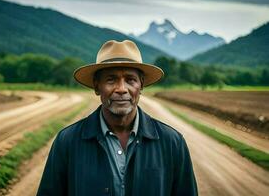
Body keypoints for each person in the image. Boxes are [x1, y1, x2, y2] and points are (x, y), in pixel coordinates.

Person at [36, 40, 198, 196]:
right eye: (111, 79)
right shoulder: (67, 142)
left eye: (130, 80)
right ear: (96, 86)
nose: (121, 89)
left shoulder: (172, 143)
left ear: (141, 85)